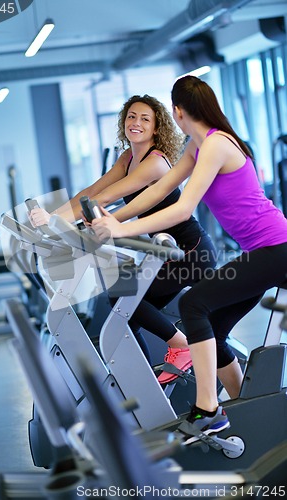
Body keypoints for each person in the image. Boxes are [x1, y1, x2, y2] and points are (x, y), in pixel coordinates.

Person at [92, 75, 287, 443]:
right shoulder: (197, 149)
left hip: (275, 249)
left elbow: (182, 209)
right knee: (212, 325)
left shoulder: (215, 146)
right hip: (264, 251)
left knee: (196, 304)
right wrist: (112, 220)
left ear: (179, 113)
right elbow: (160, 191)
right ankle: (245, 407)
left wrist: (120, 230)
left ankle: (208, 411)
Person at [29, 94, 217, 384]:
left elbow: (108, 197)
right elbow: (92, 192)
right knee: (124, 309)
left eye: (145, 119)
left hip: (190, 252)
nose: (136, 123)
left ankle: (180, 344)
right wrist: (51, 216)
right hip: (167, 252)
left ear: (156, 128)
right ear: (124, 122)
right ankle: (143, 380)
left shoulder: (155, 163)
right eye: (131, 116)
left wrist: (56, 221)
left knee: (122, 296)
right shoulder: (128, 157)